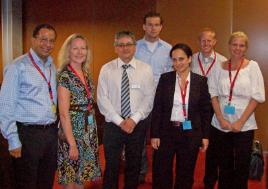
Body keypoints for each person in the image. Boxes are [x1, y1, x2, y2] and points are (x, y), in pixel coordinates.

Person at [0, 24, 58, 189]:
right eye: (43, 39)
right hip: (28, 134)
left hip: (50, 133)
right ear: (33, 40)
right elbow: (5, 104)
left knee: (46, 181)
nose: (47, 44)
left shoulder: (52, 67)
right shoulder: (17, 66)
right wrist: (13, 140)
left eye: (51, 41)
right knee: (26, 183)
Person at [97, 31, 155, 189]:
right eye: (120, 45)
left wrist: (133, 119)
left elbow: (149, 98)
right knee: (112, 166)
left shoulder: (145, 69)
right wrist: (120, 121)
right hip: (113, 124)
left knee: (134, 165)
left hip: (137, 124)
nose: (125, 48)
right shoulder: (106, 69)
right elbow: (102, 99)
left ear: (135, 47)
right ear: (115, 48)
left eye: (128, 44)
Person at [208, 31, 265, 189]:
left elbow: (257, 96)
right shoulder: (218, 67)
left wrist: (240, 122)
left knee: (241, 164)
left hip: (244, 125)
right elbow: (213, 94)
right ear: (229, 46)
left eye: (241, 45)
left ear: (246, 48)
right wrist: (220, 119)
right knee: (224, 164)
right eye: (234, 44)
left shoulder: (252, 67)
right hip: (220, 124)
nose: (237, 48)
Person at [151, 43, 211, 189]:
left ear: (190, 59)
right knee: (161, 171)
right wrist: (154, 134)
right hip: (167, 131)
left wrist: (205, 136)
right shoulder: (165, 79)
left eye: (181, 59)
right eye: (174, 59)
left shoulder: (200, 81)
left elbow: (205, 111)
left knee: (185, 172)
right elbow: (157, 107)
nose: (177, 63)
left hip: (190, 132)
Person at [57, 34, 101, 189]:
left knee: (81, 176)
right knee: (70, 175)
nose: (80, 52)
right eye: (75, 48)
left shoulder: (86, 73)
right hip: (72, 132)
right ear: (68, 51)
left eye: (83, 48)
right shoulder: (65, 76)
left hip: (87, 131)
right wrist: (72, 144)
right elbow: (63, 113)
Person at [135, 11, 172, 184]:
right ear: (144, 26)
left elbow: (172, 76)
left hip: (161, 102)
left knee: (161, 138)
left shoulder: (169, 49)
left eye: (157, 24)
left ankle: (159, 172)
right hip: (139, 101)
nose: (153, 28)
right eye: (149, 24)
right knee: (139, 139)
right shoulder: (134, 47)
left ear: (161, 27)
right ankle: (141, 171)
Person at [191, 28, 226, 189]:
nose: (206, 44)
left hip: (213, 108)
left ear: (215, 42)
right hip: (193, 110)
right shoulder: (190, 59)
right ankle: (187, 179)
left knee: (213, 148)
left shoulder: (223, 62)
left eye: (209, 40)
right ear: (199, 42)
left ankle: (209, 182)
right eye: (203, 40)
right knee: (190, 145)